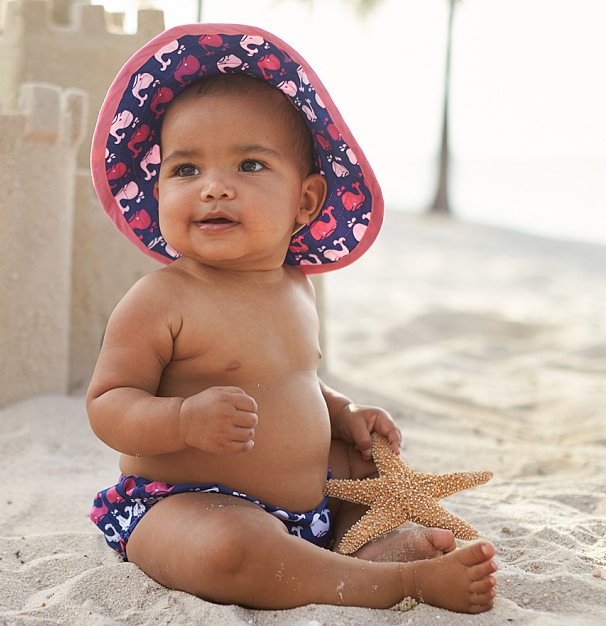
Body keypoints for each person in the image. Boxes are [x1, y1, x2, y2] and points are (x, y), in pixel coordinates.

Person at [87, 23, 497, 613]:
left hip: (308, 505)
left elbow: (290, 378)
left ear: (304, 201)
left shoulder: (295, 287)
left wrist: (342, 411)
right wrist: (182, 420)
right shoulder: (159, 299)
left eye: (249, 166)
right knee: (231, 547)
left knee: (363, 458)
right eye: (185, 171)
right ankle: (392, 584)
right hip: (182, 502)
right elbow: (108, 403)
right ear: (156, 192)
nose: (214, 189)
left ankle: (361, 544)